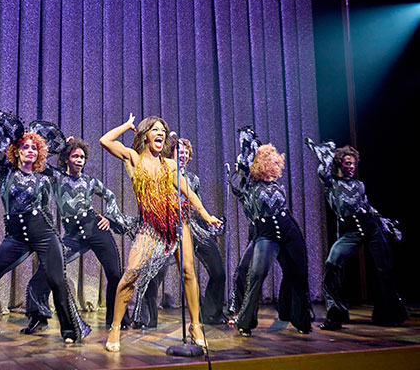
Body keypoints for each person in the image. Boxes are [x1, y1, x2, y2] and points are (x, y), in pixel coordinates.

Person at [0, 111, 90, 346]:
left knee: (57, 280)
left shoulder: (43, 176)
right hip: (16, 237)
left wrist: (68, 147)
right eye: (25, 147)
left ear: (39, 152)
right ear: (17, 151)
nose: (30, 151)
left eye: (34, 148)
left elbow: (64, 174)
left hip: (44, 233)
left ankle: (70, 330)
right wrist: (5, 131)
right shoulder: (6, 171)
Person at [99, 114, 222, 352]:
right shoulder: (133, 158)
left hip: (177, 222)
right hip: (150, 225)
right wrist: (126, 126)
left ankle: (195, 326)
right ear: (145, 134)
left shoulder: (170, 165)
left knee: (188, 271)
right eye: (155, 130)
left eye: (163, 131)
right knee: (131, 274)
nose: (161, 134)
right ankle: (115, 328)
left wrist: (206, 215)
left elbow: (188, 193)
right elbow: (105, 141)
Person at [22, 137, 131, 333]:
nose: (80, 160)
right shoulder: (57, 177)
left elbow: (111, 197)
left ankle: (117, 319)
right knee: (47, 270)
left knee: (115, 273)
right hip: (73, 235)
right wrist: (61, 145)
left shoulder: (90, 181)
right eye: (75, 156)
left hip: (95, 229)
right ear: (66, 159)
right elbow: (40, 160)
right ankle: (38, 318)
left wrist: (108, 217)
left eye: (82, 157)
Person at [305, 138, 407, 330]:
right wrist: (324, 152)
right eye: (347, 163)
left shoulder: (360, 185)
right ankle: (335, 314)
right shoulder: (330, 182)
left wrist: (385, 223)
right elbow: (322, 169)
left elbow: (367, 207)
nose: (351, 167)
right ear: (340, 164)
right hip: (351, 231)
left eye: (353, 163)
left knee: (384, 268)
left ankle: (386, 314)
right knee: (332, 264)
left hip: (370, 227)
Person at [231, 127, 312, 336]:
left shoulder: (277, 185)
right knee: (257, 274)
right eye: (272, 160)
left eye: (277, 161)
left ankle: (301, 320)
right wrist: (247, 141)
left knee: (298, 273)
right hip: (265, 234)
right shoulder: (248, 184)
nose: (277, 163)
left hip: (289, 230)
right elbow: (243, 165)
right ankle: (245, 321)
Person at [137, 138, 226, 327]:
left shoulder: (193, 179)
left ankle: (211, 315)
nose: (184, 155)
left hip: (194, 227)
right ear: (171, 153)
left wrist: (208, 226)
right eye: (180, 152)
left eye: (187, 153)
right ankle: (147, 319)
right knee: (155, 272)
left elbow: (197, 202)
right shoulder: (162, 173)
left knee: (218, 270)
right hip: (169, 229)